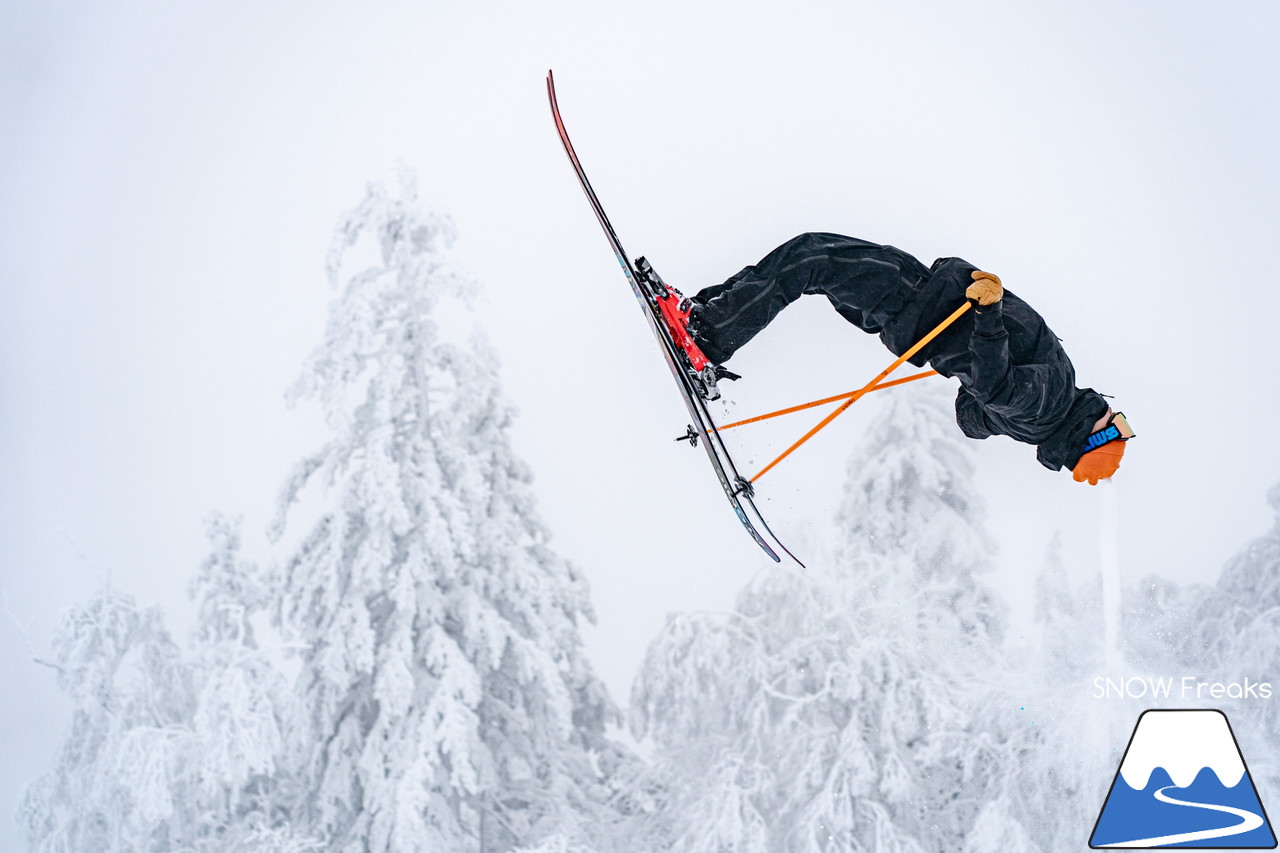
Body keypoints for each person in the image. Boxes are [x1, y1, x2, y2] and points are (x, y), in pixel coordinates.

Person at [671, 232, 1130, 484]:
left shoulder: (1050, 403)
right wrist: (972, 369)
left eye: (1115, 427)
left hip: (917, 304)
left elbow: (992, 387)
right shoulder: (1038, 417)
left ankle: (708, 338)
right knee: (805, 258)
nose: (1114, 414)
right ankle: (702, 316)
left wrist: (988, 317)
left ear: (1090, 436)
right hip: (924, 301)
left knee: (807, 260)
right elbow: (973, 417)